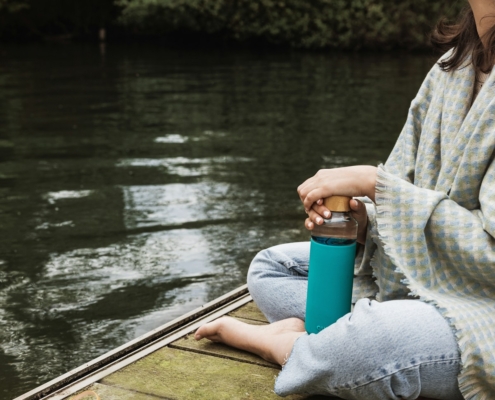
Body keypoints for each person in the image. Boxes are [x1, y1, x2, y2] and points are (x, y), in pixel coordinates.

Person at [195, 1, 495, 399]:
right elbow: (406, 190)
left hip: (484, 307)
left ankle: (286, 346)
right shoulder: (452, 67)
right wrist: (365, 221)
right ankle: (339, 339)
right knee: (273, 268)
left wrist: (376, 184)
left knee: (370, 344)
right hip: (424, 283)